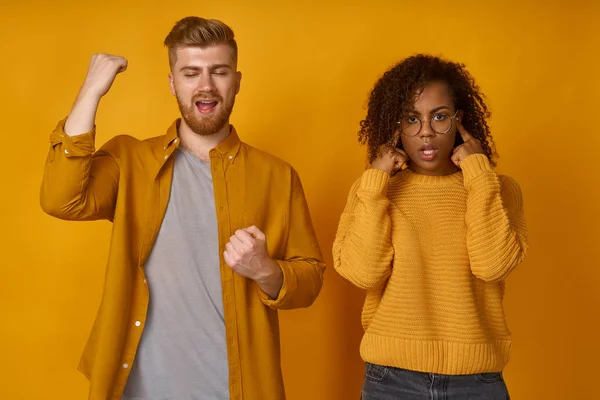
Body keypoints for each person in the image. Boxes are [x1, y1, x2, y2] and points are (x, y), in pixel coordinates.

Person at [40, 16, 325, 400]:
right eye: (191, 73)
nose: (205, 85)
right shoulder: (129, 160)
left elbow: (310, 279)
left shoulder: (277, 176)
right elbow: (61, 199)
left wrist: (267, 270)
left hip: (236, 389)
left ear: (236, 82)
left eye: (218, 72)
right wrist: (91, 91)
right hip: (136, 389)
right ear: (173, 83)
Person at [333, 54, 528, 399]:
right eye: (411, 119)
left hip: (476, 382)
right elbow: (363, 274)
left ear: (459, 121)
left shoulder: (497, 188)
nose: (425, 131)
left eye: (439, 117)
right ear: (395, 126)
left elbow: (492, 264)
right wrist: (376, 180)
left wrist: (479, 175)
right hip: (390, 382)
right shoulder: (374, 190)